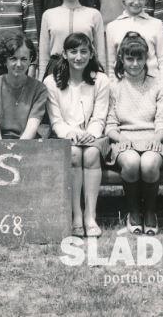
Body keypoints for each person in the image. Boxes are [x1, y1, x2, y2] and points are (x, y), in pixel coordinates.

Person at [105, 32, 163, 236]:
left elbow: (162, 120)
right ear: (122, 59)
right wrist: (121, 138)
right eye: (130, 59)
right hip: (124, 138)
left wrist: (157, 138)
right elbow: (110, 124)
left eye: (140, 58)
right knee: (131, 162)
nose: (135, 64)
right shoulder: (114, 87)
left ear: (147, 58)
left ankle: (150, 211)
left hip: (152, 137)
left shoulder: (158, 85)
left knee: (149, 163)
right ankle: (134, 211)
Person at [44, 33, 110, 238]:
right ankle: (76, 215)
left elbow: (100, 116)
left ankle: (90, 215)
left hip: (94, 135)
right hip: (64, 136)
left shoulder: (101, 80)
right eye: (73, 52)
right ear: (64, 54)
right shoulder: (51, 82)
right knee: (73, 153)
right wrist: (71, 133)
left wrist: (90, 134)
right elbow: (56, 120)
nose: (78, 57)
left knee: (90, 154)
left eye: (83, 52)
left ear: (91, 54)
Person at [37, 0, 105, 79]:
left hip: (85, 69)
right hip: (56, 71)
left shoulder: (94, 15)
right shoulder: (48, 15)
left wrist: (101, 76)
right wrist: (41, 79)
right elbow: (44, 55)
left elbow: (100, 53)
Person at [105, 0, 163, 86]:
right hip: (122, 85)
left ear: (146, 0)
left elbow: (162, 59)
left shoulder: (156, 24)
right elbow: (111, 63)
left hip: (152, 84)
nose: (136, 2)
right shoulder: (112, 26)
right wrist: (113, 86)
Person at [0, 34, 48, 140]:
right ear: (5, 60)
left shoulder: (39, 89)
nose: (18, 64)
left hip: (27, 143)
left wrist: (17, 149)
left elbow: (31, 131)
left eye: (24, 59)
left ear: (30, 60)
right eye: (13, 58)